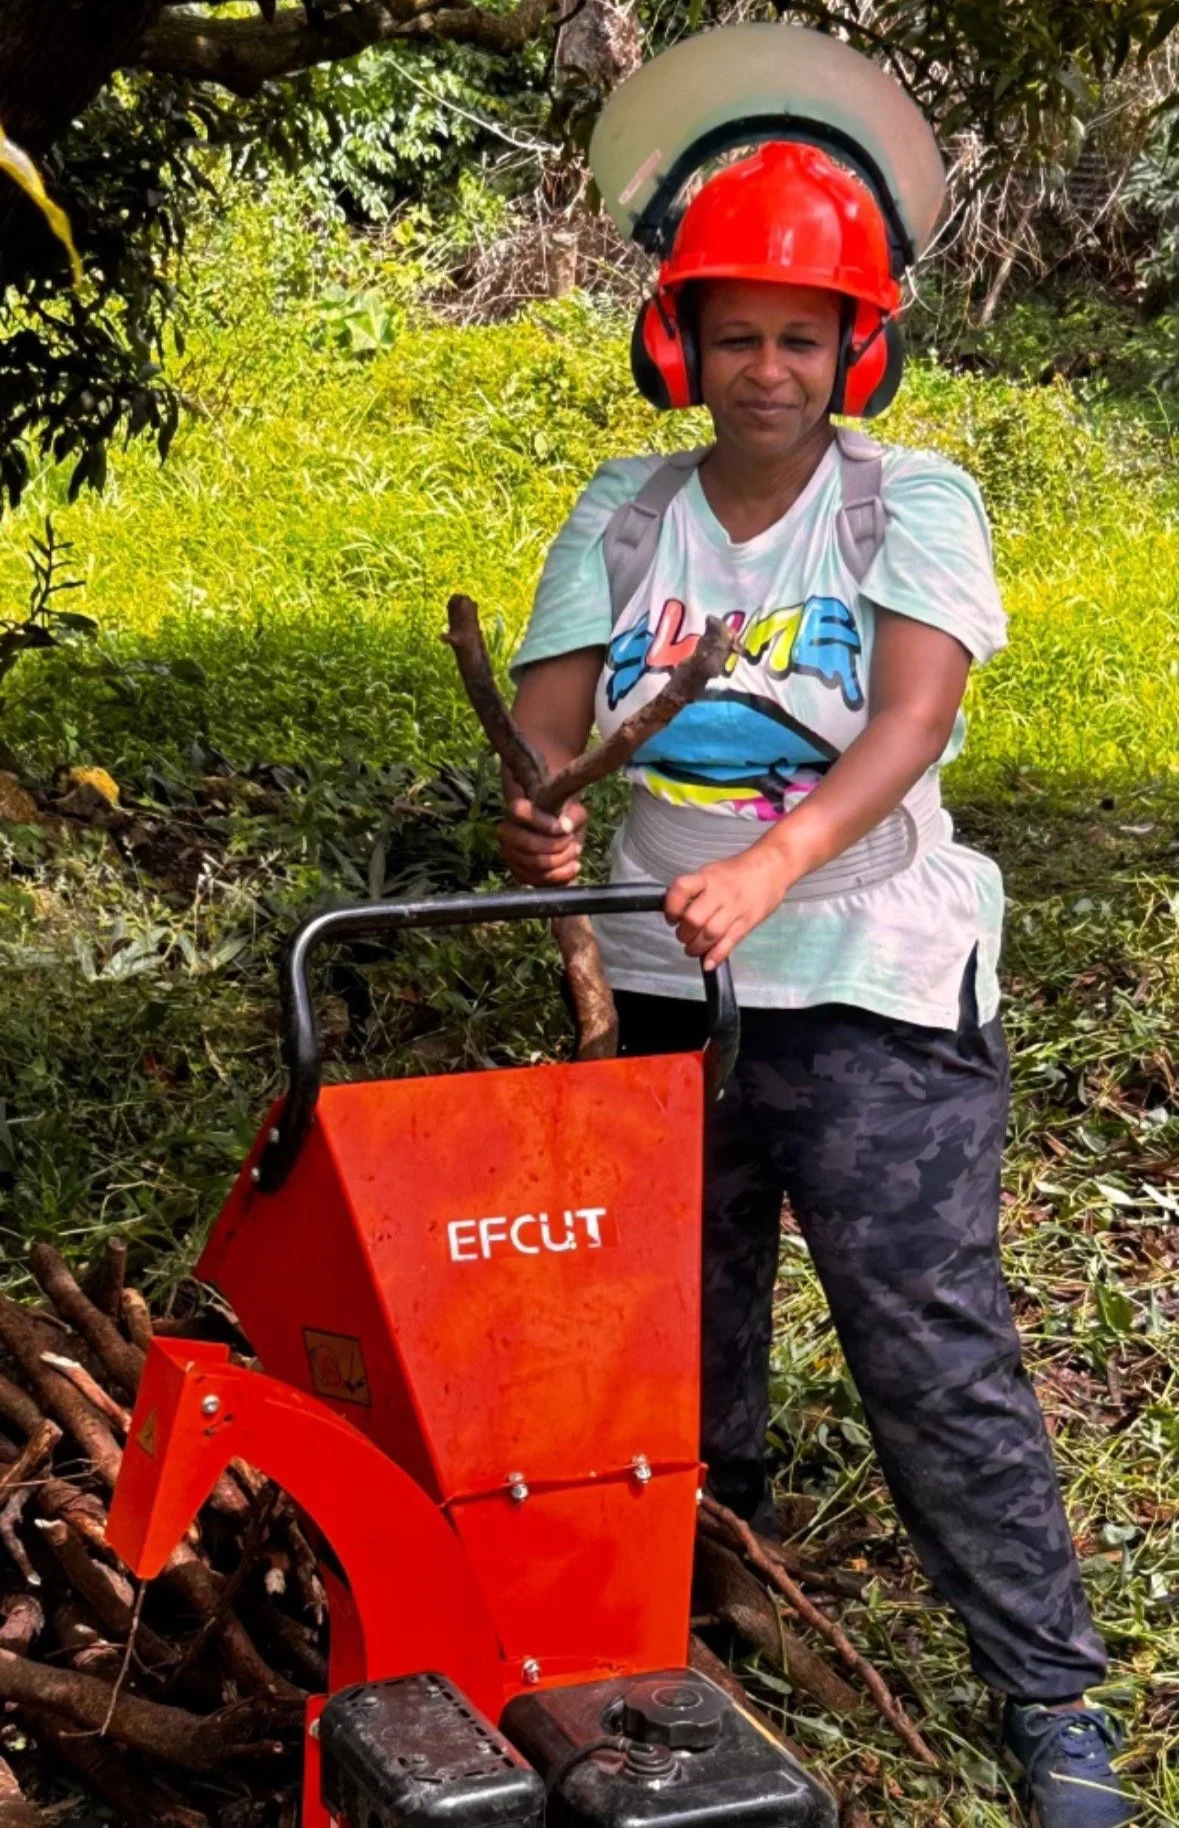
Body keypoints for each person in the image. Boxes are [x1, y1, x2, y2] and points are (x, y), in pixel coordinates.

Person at [496, 133, 1133, 1828]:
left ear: (859, 348)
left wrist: (773, 860)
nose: (763, 369)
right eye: (734, 334)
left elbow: (912, 717)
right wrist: (539, 816)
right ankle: (713, 1579)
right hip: (654, 990)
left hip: (867, 977)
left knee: (925, 1346)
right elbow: (547, 737)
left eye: (801, 335)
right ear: (675, 343)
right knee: (674, 1336)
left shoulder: (901, 498)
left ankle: (1052, 1701)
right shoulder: (626, 514)